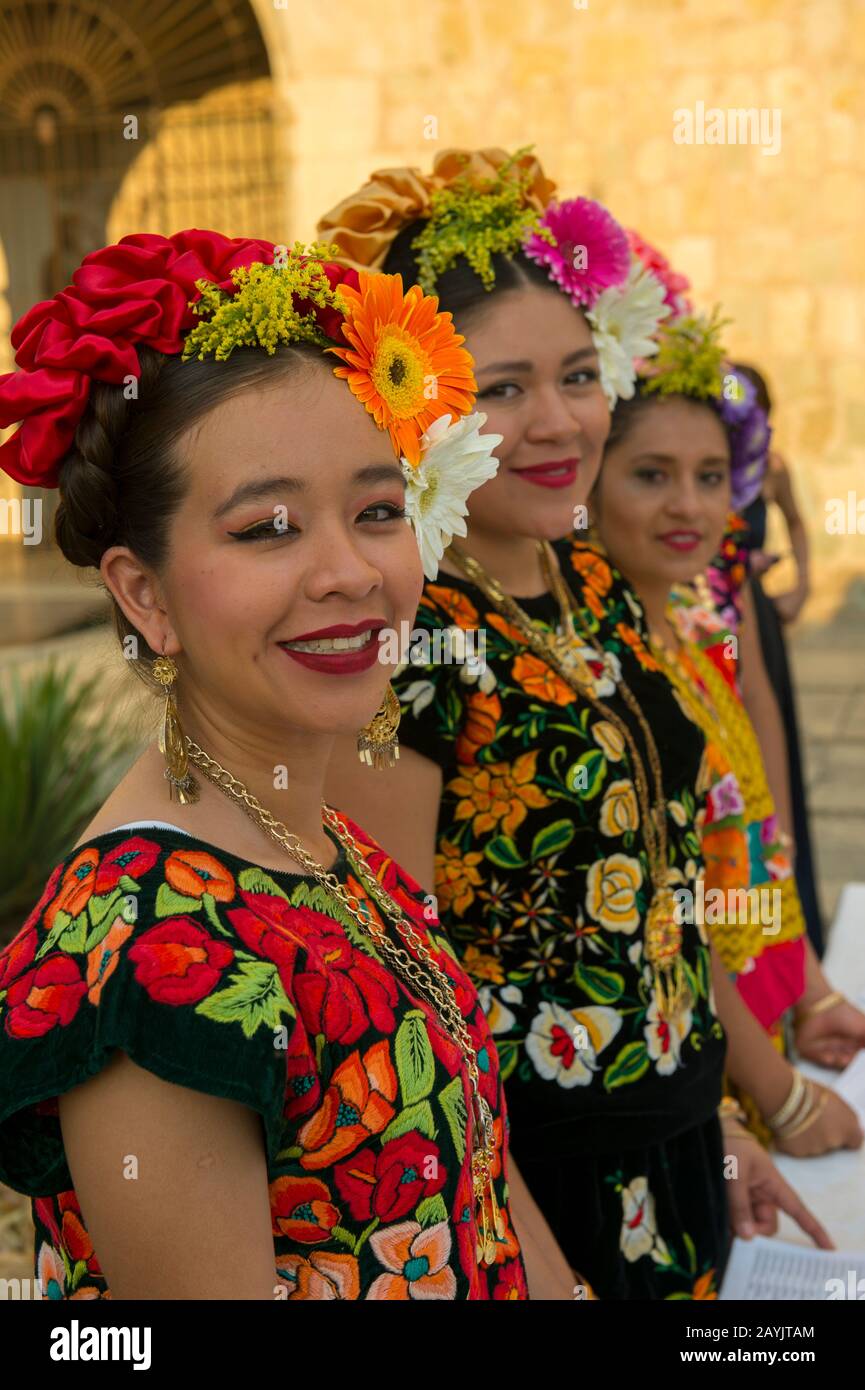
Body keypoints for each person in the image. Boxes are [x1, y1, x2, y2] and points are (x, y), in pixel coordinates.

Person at [320, 151, 830, 1297]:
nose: (559, 423)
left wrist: (724, 1117)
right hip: (535, 1194)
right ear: (418, 402)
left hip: (677, 1149)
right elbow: (413, 991)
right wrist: (531, 1256)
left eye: (577, 375)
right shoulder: (410, 639)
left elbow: (658, 886)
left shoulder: (592, 582)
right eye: (501, 389)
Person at [0, 229, 545, 1300]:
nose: (348, 572)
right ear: (144, 593)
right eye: (270, 529)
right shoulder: (157, 954)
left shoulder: (313, 833)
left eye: (378, 511)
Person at [590, 311, 864, 1157]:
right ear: (586, 485)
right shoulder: (602, 666)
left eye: (710, 476)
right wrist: (773, 1100)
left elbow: (753, 843)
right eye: (650, 475)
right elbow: (663, 923)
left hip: (752, 1029)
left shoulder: (695, 624)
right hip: (698, 1072)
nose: (689, 505)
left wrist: (806, 993)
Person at [730, 362, 824, 957]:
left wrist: (802, 584)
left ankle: (796, 915)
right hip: (720, 605)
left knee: (772, 741)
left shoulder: (774, 468)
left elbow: (797, 522)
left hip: (756, 613)